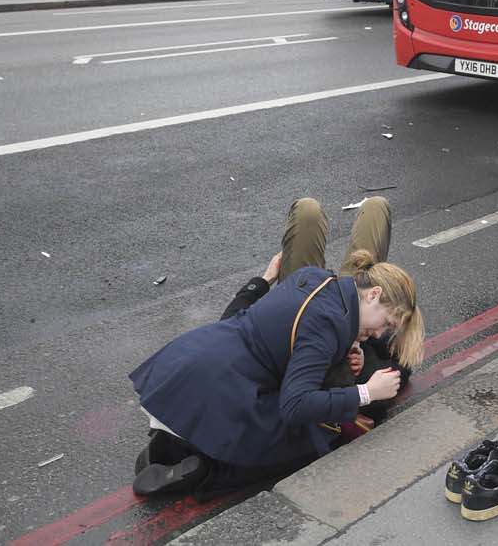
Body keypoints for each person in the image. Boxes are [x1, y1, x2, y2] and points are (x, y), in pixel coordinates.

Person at [129, 195, 423, 496]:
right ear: (373, 294)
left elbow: (240, 321)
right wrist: (367, 392)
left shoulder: (312, 278)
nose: (379, 333)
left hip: (184, 368)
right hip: (226, 394)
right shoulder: (328, 327)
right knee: (313, 439)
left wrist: (262, 281)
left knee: (311, 210)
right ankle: (208, 471)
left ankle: (163, 448)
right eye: (386, 323)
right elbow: (295, 405)